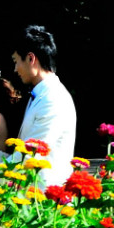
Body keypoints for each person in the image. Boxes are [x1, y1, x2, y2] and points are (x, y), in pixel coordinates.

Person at [11, 25, 77, 189]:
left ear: (31, 58)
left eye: (16, 61)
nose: (15, 69)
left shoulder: (52, 99)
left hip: (42, 196)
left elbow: (32, 156)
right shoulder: (42, 94)